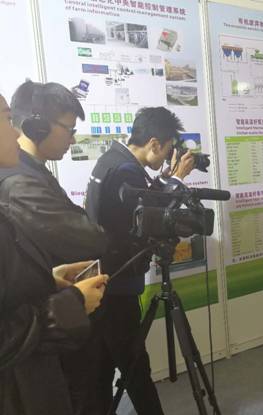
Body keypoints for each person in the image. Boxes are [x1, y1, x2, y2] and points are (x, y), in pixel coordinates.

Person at [66, 107, 195, 415]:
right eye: (167, 150)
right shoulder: (126, 171)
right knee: (135, 366)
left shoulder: (112, 160)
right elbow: (148, 220)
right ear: (154, 143)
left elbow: (135, 204)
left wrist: (165, 179)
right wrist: (177, 180)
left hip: (103, 279)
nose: (168, 157)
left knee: (102, 366)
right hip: (118, 283)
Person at [0, 92, 108, 415]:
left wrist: (48, 278)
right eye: (6, 120)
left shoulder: (33, 174)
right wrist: (72, 302)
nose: (15, 132)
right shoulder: (19, 183)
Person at [0, 80, 106, 267]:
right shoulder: (20, 184)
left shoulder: (33, 170)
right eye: (70, 130)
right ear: (38, 127)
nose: (72, 140)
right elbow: (83, 240)